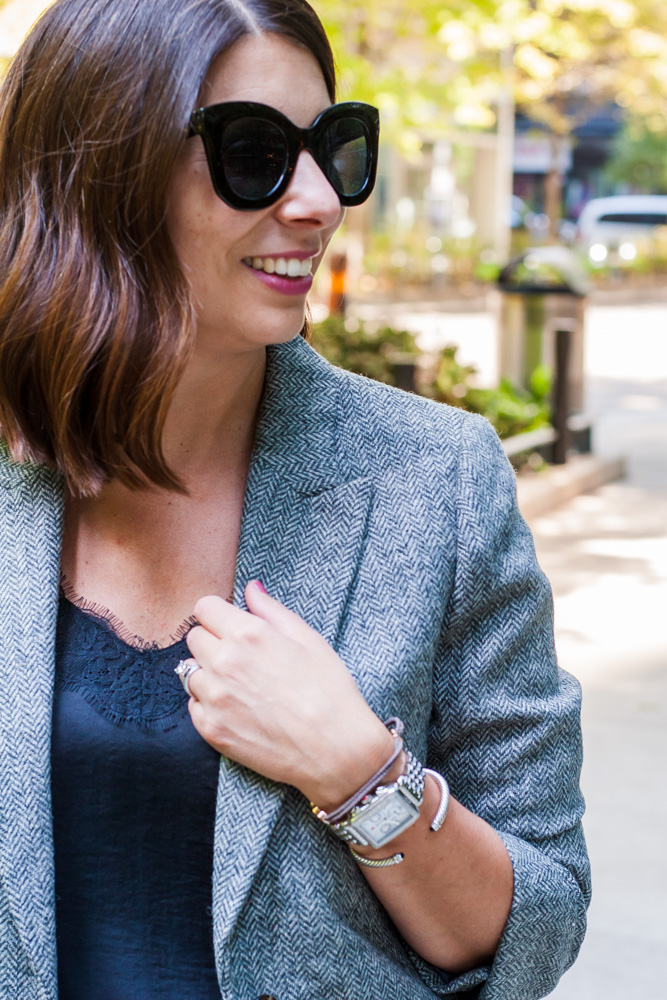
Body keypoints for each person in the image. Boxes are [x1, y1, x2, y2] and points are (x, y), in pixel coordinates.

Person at [0, 0, 590, 998]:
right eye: (254, 151)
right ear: (103, 172)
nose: (318, 199)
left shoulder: (436, 478)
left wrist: (359, 774)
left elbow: (540, 923)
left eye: (333, 148)